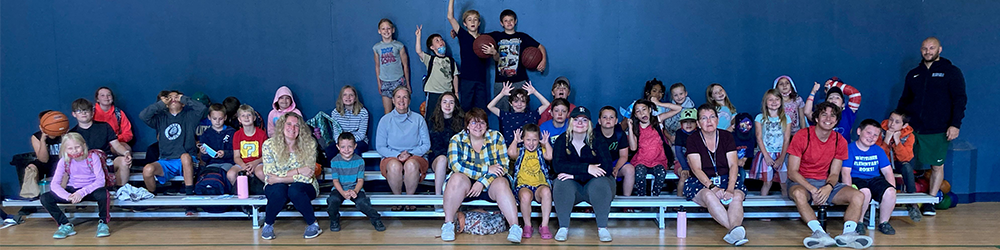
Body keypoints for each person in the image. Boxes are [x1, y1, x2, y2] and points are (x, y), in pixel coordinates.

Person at [896, 37, 967, 216]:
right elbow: (904, 101)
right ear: (921, 50)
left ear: (939, 49)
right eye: (924, 48)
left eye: (932, 48)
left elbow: (960, 100)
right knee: (905, 164)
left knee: (936, 166)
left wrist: (955, 125)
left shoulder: (951, 71)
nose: (928, 51)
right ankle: (910, 201)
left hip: (938, 129)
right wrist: (897, 123)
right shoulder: (913, 74)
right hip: (913, 128)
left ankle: (930, 202)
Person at [787, 102, 872, 249]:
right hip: (801, 182)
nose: (828, 118)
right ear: (817, 118)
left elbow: (834, 173)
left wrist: (828, 186)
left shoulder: (840, 140)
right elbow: (792, 172)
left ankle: (848, 235)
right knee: (799, 194)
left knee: (858, 195)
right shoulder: (802, 135)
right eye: (824, 114)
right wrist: (812, 189)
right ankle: (820, 234)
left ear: (837, 120)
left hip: (826, 183)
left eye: (833, 115)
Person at [440, 108, 521, 243]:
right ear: (467, 125)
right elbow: (456, 165)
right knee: (455, 178)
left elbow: (503, 166)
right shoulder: (457, 139)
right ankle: (448, 224)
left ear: (487, 125)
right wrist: (486, 169)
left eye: (482, 123)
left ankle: (515, 227)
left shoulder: (496, 137)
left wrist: (482, 182)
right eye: (473, 123)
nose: (478, 126)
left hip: (492, 182)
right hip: (466, 184)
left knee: (502, 183)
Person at [682, 104, 749, 246]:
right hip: (701, 181)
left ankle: (733, 234)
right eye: (704, 118)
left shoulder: (726, 136)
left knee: (736, 196)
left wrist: (730, 188)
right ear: (699, 124)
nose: (709, 121)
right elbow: (696, 169)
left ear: (717, 120)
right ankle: (734, 230)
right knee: (708, 195)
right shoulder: (693, 139)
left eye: (712, 117)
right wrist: (713, 187)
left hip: (726, 179)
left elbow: (733, 165)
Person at [550, 106, 615, 242]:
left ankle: (602, 228)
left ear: (589, 123)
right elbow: (558, 166)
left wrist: (576, 175)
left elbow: (607, 167)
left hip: (595, 186)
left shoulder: (598, 139)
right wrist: (587, 168)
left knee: (601, 182)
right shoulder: (562, 140)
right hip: (573, 188)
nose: (580, 123)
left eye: (584, 120)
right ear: (570, 122)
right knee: (561, 182)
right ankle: (563, 227)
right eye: (576, 119)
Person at [260, 112, 321, 240]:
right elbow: (270, 174)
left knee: (294, 190)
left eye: (296, 125)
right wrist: (298, 171)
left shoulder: (309, 144)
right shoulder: (269, 145)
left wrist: (279, 178)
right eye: (289, 124)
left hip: (306, 185)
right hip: (276, 184)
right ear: (282, 125)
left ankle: (313, 224)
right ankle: (268, 225)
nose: (292, 128)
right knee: (279, 190)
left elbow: (308, 175)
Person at [39, 133, 112, 238]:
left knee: (103, 194)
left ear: (84, 145)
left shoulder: (93, 157)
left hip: (89, 189)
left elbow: (100, 180)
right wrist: (67, 196)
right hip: (72, 190)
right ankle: (65, 225)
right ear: (65, 150)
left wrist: (81, 192)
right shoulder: (64, 161)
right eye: (70, 148)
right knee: (45, 197)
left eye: (77, 147)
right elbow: (54, 184)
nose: (74, 151)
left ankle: (103, 223)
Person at [139, 90, 206, 195]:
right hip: (166, 160)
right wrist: (161, 104)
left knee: (185, 156)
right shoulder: (161, 118)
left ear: (182, 103)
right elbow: (143, 116)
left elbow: (201, 108)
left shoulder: (190, 116)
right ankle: (152, 196)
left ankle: (189, 195)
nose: (173, 99)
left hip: (186, 160)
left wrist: (184, 99)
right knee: (147, 169)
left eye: (177, 97)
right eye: (170, 97)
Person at [376, 86, 431, 211]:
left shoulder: (419, 119)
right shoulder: (385, 120)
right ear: (393, 101)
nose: (402, 100)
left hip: (415, 156)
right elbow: (380, 146)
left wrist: (410, 154)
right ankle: (398, 199)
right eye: (398, 97)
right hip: (391, 156)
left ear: (409, 101)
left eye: (405, 97)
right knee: (395, 165)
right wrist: (397, 155)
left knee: (411, 164)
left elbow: (426, 145)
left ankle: (409, 200)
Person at [481, 9, 547, 112]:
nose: (509, 23)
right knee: (502, 114)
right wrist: (457, 32)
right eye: (506, 20)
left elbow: (541, 47)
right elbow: (476, 38)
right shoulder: (496, 36)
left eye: (511, 20)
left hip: (520, 81)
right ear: (501, 23)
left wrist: (543, 61)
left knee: (522, 112)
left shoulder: (522, 37)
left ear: (515, 21)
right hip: (501, 82)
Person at [841, 119, 898, 235]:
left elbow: (888, 172)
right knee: (865, 192)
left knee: (890, 191)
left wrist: (892, 190)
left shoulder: (878, 150)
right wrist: (848, 191)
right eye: (868, 133)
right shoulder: (849, 149)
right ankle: (859, 222)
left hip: (874, 179)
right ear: (859, 131)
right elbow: (845, 173)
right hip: (856, 179)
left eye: (875, 135)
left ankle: (884, 222)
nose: (871, 137)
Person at [327, 132, 386, 232]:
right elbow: (335, 181)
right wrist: (343, 193)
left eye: (350, 146)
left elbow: (360, 180)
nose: (346, 150)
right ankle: (334, 220)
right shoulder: (334, 161)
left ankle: (376, 219)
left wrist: (355, 191)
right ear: (337, 147)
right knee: (332, 201)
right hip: (340, 189)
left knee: (362, 203)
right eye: (343, 147)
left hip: (356, 188)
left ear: (355, 146)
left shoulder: (359, 161)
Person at [69, 98, 133, 187]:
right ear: (74, 114)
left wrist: (126, 153)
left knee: (124, 161)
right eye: (79, 111)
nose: (83, 113)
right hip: (85, 164)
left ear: (92, 112)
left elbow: (116, 145)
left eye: (86, 110)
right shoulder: (72, 134)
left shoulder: (104, 126)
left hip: (106, 160)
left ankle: (120, 190)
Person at [507, 124, 553, 239]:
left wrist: (546, 143)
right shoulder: (521, 151)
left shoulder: (541, 151)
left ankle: (545, 225)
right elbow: (511, 153)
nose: (531, 143)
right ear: (523, 139)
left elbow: (550, 156)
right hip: (524, 186)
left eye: (535, 140)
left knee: (546, 192)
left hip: (540, 186)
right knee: (526, 196)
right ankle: (527, 225)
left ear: (539, 140)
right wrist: (515, 141)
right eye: (528, 140)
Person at [876, 109, 921, 221]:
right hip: (883, 163)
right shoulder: (879, 131)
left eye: (897, 122)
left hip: (898, 162)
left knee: (907, 167)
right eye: (891, 120)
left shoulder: (909, 136)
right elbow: (877, 157)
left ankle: (912, 204)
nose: (892, 124)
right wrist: (886, 140)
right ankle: (876, 206)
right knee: (878, 171)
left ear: (904, 125)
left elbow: (905, 158)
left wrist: (897, 141)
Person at [447, 0, 490, 112]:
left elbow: (496, 55)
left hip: (481, 79)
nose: (473, 22)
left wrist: (493, 52)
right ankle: (465, 130)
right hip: (467, 79)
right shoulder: (463, 35)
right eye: (469, 20)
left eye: (475, 20)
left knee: (481, 111)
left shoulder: (485, 39)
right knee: (465, 110)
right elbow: (450, 17)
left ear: (479, 23)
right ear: (465, 24)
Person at [627, 100, 676, 196]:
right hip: (641, 160)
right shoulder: (636, 127)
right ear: (635, 115)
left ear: (649, 110)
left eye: (644, 109)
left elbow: (678, 109)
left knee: (661, 173)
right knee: (639, 173)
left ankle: (655, 198)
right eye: (638, 111)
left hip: (658, 160)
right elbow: (633, 148)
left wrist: (658, 104)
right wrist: (630, 128)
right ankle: (642, 199)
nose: (642, 113)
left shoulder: (657, 120)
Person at [749, 90, 792, 197]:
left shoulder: (786, 118)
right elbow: (759, 137)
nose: (774, 102)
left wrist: (782, 158)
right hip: (766, 154)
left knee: (784, 183)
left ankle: (787, 210)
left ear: (781, 102)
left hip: (781, 153)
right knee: (767, 182)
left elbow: (787, 139)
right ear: (765, 102)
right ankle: (761, 209)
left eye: (777, 99)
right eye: (770, 99)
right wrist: (767, 157)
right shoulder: (760, 117)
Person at [19, 111, 64, 199]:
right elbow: (43, 160)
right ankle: (30, 197)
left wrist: (64, 138)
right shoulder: (36, 137)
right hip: (46, 165)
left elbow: (65, 157)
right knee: (31, 168)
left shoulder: (65, 135)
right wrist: (43, 141)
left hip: (61, 163)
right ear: (41, 126)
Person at [415, 25, 460, 113]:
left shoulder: (451, 61)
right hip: (433, 92)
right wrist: (418, 36)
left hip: (447, 93)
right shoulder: (430, 59)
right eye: (437, 41)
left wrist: (456, 93)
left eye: (441, 39)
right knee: (432, 116)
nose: (441, 42)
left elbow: (455, 77)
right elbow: (418, 51)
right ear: (432, 47)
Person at [429, 92, 465, 195]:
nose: (448, 105)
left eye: (451, 103)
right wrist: (449, 159)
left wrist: (453, 159)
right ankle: (438, 199)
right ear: (440, 104)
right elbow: (435, 146)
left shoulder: (462, 122)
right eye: (445, 102)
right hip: (438, 158)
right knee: (442, 160)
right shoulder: (433, 121)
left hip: (457, 158)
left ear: (455, 105)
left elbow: (463, 144)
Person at [373, 18, 410, 114]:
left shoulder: (399, 46)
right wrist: (379, 83)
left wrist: (407, 84)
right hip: (384, 81)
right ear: (379, 31)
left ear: (393, 30)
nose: (386, 31)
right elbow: (377, 66)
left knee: (401, 109)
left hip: (398, 80)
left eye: (388, 28)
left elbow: (405, 65)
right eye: (383, 29)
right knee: (388, 111)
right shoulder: (377, 47)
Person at [595, 107, 633, 197]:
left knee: (630, 170)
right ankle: (591, 204)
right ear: (599, 121)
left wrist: (616, 168)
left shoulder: (620, 134)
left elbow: (623, 156)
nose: (608, 119)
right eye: (604, 117)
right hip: (599, 164)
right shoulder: (593, 135)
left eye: (611, 117)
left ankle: (626, 205)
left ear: (616, 121)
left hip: (615, 163)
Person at [230, 104, 267, 185]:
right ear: (239, 119)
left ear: (254, 118)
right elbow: (236, 157)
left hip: (258, 163)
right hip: (242, 163)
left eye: (249, 115)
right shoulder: (237, 135)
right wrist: (243, 166)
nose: (246, 118)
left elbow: (266, 155)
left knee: (261, 173)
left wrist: (254, 163)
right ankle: (237, 194)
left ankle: (266, 192)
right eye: (243, 115)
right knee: (231, 174)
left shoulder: (262, 134)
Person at [328, 85, 371, 156]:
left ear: (355, 98)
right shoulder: (335, 113)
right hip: (341, 140)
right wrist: (343, 143)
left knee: (354, 150)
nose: (348, 97)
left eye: (351, 95)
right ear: (341, 97)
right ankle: (335, 167)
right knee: (330, 150)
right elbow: (336, 133)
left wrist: (349, 143)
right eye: (345, 95)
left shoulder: (363, 112)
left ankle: (355, 167)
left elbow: (361, 134)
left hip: (358, 141)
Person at [198, 104, 236, 173]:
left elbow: (236, 152)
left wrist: (225, 153)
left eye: (220, 119)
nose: (217, 121)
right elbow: (205, 159)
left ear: (225, 117)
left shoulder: (231, 132)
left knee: (224, 172)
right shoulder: (206, 134)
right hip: (212, 164)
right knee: (209, 173)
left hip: (228, 163)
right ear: (209, 117)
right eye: (214, 119)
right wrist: (204, 153)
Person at [673, 108, 698, 197]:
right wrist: (685, 167)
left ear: (697, 123)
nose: (688, 124)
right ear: (681, 124)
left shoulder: (699, 133)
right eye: (685, 122)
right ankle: (679, 202)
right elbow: (678, 152)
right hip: (681, 162)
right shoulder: (679, 133)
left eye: (691, 121)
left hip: (696, 162)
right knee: (684, 175)